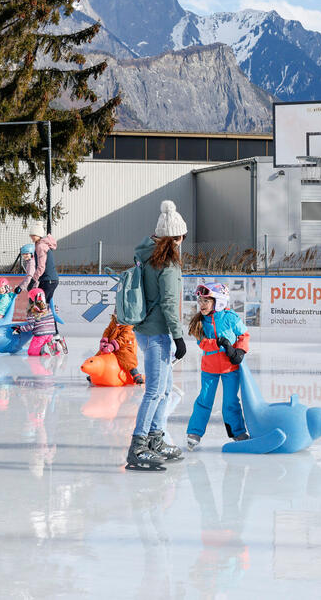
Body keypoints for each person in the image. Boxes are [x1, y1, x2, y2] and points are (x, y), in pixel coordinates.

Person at [126, 200, 187, 471]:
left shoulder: (145, 255)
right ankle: (138, 447)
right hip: (159, 333)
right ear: (176, 237)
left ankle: (155, 439)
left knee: (163, 391)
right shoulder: (168, 264)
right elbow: (169, 303)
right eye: (183, 236)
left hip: (144, 330)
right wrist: (179, 337)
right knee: (154, 392)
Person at [185, 282, 250, 449]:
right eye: (200, 301)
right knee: (204, 400)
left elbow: (244, 335)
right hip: (209, 368)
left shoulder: (230, 318)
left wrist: (239, 351)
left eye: (206, 301)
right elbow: (202, 343)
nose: (202, 305)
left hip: (230, 368)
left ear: (219, 301)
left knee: (230, 402)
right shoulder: (201, 321)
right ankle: (194, 432)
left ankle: (238, 432)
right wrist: (219, 343)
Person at [14, 288, 66, 357]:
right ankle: (56, 347)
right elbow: (56, 311)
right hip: (50, 334)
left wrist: (20, 328)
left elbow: (31, 326)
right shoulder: (49, 308)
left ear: (31, 300)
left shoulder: (32, 312)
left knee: (31, 352)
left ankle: (42, 352)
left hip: (40, 335)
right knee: (45, 340)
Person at [97, 313, 142, 385]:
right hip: (110, 345)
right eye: (115, 314)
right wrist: (104, 341)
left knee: (126, 358)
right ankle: (96, 372)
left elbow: (125, 337)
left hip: (124, 346)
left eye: (119, 314)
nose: (116, 316)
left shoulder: (129, 324)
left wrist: (114, 345)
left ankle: (135, 373)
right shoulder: (113, 322)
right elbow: (107, 331)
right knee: (99, 355)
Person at [26, 221, 59, 305]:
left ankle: (41, 317)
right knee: (45, 304)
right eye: (31, 235)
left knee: (39, 304)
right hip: (50, 280)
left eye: (33, 235)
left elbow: (41, 267)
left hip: (48, 280)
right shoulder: (40, 245)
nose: (31, 236)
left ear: (38, 235)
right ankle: (51, 316)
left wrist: (33, 281)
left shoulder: (41, 246)